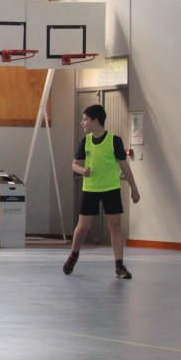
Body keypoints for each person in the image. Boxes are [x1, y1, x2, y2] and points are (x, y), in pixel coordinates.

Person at [63, 104, 140, 279]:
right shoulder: (85, 141)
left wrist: (134, 189)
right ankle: (73, 255)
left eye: (85, 119)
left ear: (95, 120)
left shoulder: (114, 141)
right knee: (83, 227)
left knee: (115, 224)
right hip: (90, 189)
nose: (82, 122)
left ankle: (119, 266)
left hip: (110, 188)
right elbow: (75, 164)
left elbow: (125, 166)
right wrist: (82, 171)